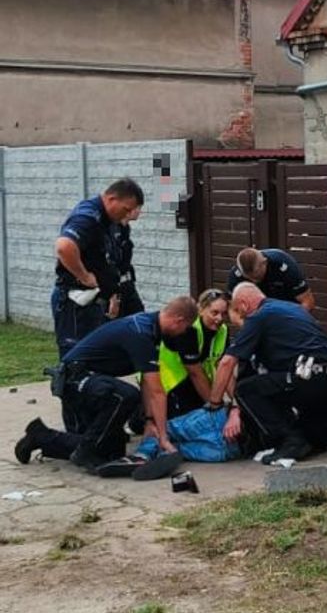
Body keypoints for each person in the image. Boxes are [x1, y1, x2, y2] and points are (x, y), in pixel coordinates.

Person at [14, 296, 198, 474]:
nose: (183, 333)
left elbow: (148, 382)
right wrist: (163, 438)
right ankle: (85, 452)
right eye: (186, 328)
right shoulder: (141, 332)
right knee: (125, 395)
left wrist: (150, 422)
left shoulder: (152, 329)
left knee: (112, 451)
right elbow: (157, 392)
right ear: (179, 320)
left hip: (92, 382)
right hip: (74, 381)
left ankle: (41, 436)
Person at [206, 283, 327, 462]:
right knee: (308, 429)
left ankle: (291, 441)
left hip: (309, 378)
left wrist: (214, 403)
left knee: (245, 390)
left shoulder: (258, 317)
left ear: (244, 305)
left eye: (240, 313)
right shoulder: (294, 309)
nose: (242, 319)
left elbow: (226, 363)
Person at [52, 178, 145, 357]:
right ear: (111, 199)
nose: (128, 215)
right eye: (126, 209)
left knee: (96, 356)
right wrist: (84, 276)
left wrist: (113, 293)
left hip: (96, 299)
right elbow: (64, 247)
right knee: (76, 359)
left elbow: (108, 263)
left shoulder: (110, 220)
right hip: (75, 300)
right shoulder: (88, 216)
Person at [157, 288, 232, 417]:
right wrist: (215, 406)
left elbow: (224, 366)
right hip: (170, 385)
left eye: (224, 313)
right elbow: (195, 372)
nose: (220, 318)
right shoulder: (188, 329)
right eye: (214, 313)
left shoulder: (223, 330)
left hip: (194, 383)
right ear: (201, 310)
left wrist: (237, 402)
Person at [226, 247, 315, 312]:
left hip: (288, 309)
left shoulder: (283, 264)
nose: (254, 281)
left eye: (257, 276)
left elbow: (307, 302)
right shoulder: (236, 274)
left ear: (264, 263)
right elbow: (233, 309)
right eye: (249, 278)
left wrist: (289, 322)